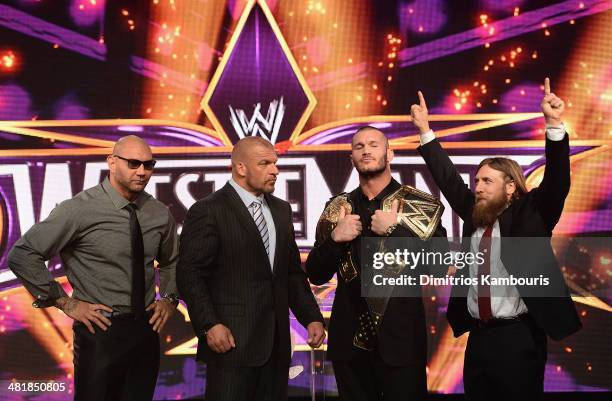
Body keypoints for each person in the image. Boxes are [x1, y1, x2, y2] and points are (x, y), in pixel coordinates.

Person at [410, 78, 582, 401]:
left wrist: (554, 124)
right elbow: (448, 179)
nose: (478, 186)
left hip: (518, 336)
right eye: (477, 180)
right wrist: (424, 131)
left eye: (487, 181)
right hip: (478, 337)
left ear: (510, 187)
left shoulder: (533, 214)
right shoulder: (474, 214)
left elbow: (558, 181)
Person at [8, 135, 179, 401]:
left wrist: (168, 298)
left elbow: (171, 260)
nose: (142, 171)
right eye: (133, 163)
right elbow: (23, 254)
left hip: (145, 331)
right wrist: (65, 303)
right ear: (111, 162)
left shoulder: (158, 212)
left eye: (149, 164)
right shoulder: (79, 209)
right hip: (100, 331)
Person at [177, 136, 325, 401]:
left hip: (276, 346)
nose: (275, 170)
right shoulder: (209, 210)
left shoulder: (281, 210)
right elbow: (190, 275)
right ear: (241, 168)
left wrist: (311, 316)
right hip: (231, 343)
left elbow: (291, 272)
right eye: (265, 163)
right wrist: (209, 324)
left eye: (276, 163)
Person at [306, 126, 448, 401]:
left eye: (373, 144)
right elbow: (315, 273)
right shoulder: (337, 208)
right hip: (349, 342)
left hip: (401, 342)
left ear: (389, 153)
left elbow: (439, 265)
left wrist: (397, 230)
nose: (366, 150)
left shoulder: (420, 204)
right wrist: (335, 238)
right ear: (352, 158)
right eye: (359, 147)